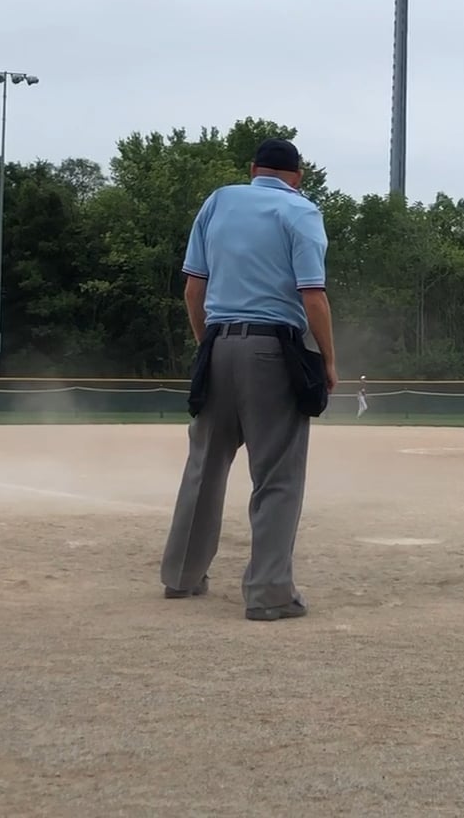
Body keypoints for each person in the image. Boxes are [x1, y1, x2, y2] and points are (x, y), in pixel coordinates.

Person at [162, 139, 335, 622]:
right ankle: (268, 593)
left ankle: (181, 576)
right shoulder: (301, 211)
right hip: (273, 351)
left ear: (253, 169)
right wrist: (328, 360)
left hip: (218, 343)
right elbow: (312, 295)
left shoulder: (219, 201)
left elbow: (193, 288)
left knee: (204, 466)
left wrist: (208, 345)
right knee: (277, 476)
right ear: (297, 176)